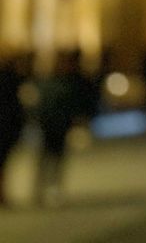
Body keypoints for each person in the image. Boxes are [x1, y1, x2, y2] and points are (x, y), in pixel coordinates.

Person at [33, 49, 95, 207]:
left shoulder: (66, 82)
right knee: (48, 159)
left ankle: (51, 190)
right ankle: (41, 190)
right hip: (50, 125)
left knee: (55, 159)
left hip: (58, 125)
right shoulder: (54, 83)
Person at [0, 54, 28, 208]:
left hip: (7, 126)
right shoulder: (12, 80)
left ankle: (3, 193)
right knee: (3, 163)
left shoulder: (10, 80)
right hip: (7, 126)